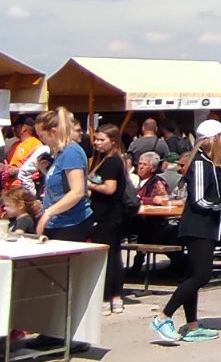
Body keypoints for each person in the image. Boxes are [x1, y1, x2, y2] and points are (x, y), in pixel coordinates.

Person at [151, 120, 221, 343]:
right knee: (201, 275)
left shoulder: (212, 163)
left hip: (207, 226)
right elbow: (199, 200)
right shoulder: (199, 163)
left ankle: (192, 325)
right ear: (212, 140)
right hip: (198, 226)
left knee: (193, 274)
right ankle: (163, 316)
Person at [87, 124, 132, 315]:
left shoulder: (112, 162)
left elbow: (109, 188)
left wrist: (88, 185)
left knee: (107, 257)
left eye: (101, 140)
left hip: (107, 216)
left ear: (113, 141)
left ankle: (107, 297)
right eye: (96, 139)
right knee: (113, 255)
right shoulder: (106, 160)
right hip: (110, 215)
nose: (97, 143)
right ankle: (115, 297)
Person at [35, 108, 94, 241]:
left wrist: (48, 213)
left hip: (71, 223)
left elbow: (77, 191)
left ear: (53, 132)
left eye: (42, 136)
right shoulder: (60, 153)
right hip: (59, 222)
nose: (41, 140)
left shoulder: (71, 152)